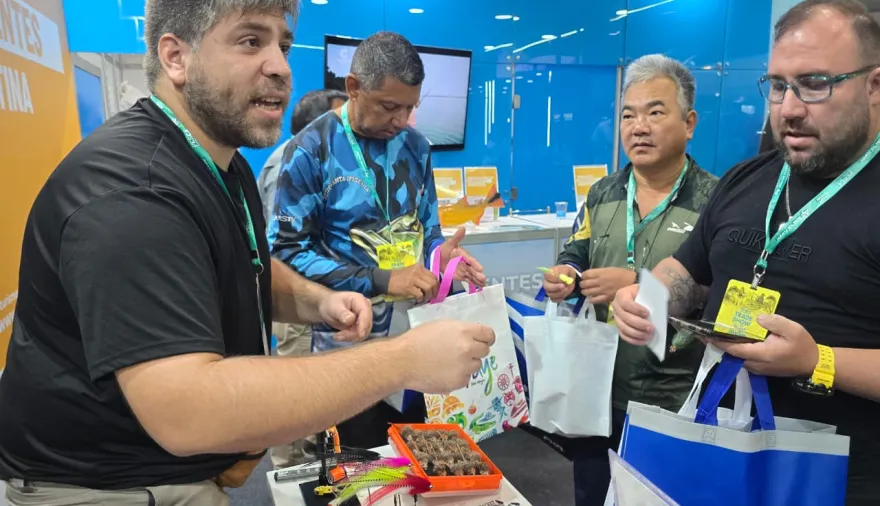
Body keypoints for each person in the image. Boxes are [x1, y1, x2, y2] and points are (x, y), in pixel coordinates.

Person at [0, 2, 495, 505]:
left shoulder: (220, 165)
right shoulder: (133, 194)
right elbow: (187, 411)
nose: (280, 66)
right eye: (250, 41)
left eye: (283, 44)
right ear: (176, 57)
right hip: (111, 487)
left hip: (175, 473)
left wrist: (318, 302)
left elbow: (249, 265)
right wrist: (403, 360)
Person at [612, 1, 880, 503]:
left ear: (874, 85)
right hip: (718, 451)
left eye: (815, 83)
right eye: (778, 86)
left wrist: (817, 360)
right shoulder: (746, 179)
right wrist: (647, 296)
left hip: (835, 481)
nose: (789, 108)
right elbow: (688, 269)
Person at [269, 31, 487, 449]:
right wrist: (382, 279)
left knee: (420, 453)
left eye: (410, 107)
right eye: (389, 106)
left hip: (416, 331)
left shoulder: (416, 147)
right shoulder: (311, 150)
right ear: (353, 87)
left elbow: (428, 229)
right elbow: (286, 252)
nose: (401, 120)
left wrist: (443, 258)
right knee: (360, 461)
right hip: (347, 339)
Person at [542, 54, 718, 506]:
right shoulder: (603, 192)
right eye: (628, 115)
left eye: (655, 113)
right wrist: (567, 274)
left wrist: (639, 283)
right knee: (591, 493)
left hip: (674, 397)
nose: (639, 127)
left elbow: (725, 296)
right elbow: (577, 250)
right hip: (597, 388)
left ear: (689, 123)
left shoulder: (715, 201)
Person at [257, 88, 347, 470]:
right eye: (340, 122)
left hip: (311, 296)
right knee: (298, 392)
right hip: (296, 298)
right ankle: (292, 475)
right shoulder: (291, 162)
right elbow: (283, 244)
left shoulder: (314, 161)